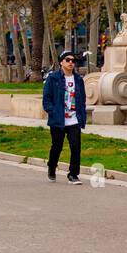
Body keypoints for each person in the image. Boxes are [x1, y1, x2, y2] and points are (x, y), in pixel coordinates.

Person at [43, 51, 86, 184]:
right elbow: (47, 97)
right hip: (58, 119)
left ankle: (73, 174)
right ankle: (51, 166)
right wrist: (52, 111)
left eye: (73, 61)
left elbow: (82, 98)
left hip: (74, 119)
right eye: (68, 60)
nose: (71, 63)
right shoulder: (53, 78)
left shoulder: (78, 79)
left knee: (75, 146)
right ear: (61, 62)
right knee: (57, 146)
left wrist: (81, 115)